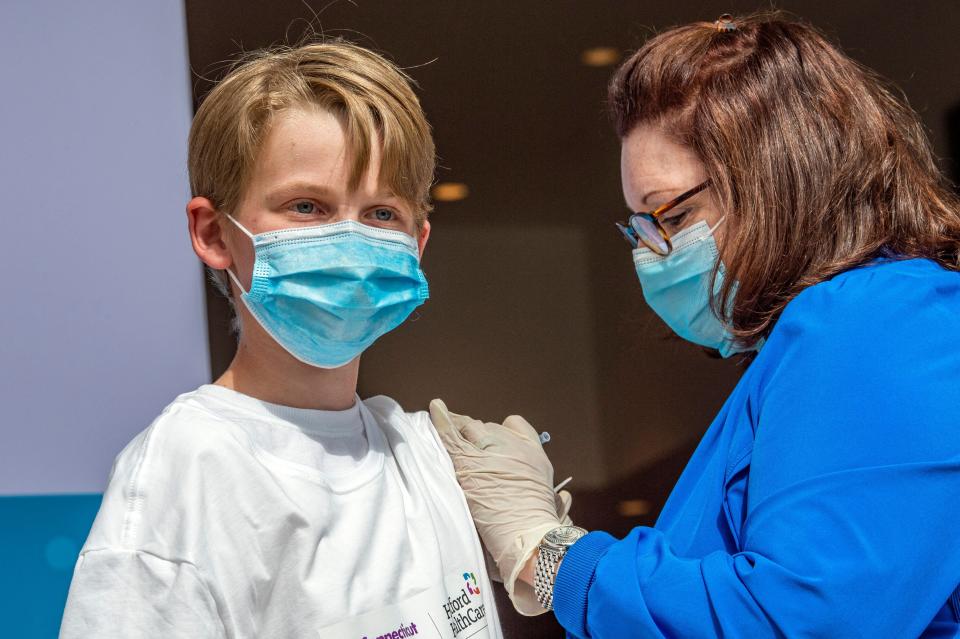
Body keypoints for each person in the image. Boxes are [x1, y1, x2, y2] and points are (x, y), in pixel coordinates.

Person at [431, 11, 960, 638]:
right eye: (641, 228)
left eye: (674, 216)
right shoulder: (820, 341)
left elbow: (800, 620)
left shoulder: (879, 318)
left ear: (781, 177)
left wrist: (552, 557)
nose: (653, 255)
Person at [59, 40, 509, 638]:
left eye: (381, 215)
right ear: (215, 233)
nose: (350, 241)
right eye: (307, 207)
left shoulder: (422, 453)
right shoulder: (188, 475)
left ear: (417, 245)